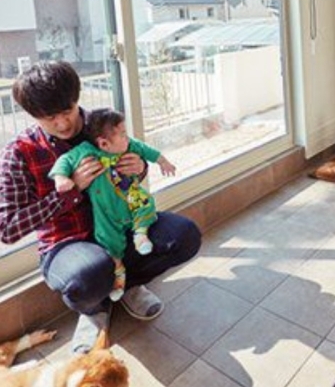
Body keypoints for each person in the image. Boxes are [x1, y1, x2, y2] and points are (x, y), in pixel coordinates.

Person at [0, 61, 201, 354]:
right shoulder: (19, 152)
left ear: (76, 98)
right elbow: (7, 228)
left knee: (185, 236)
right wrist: (71, 192)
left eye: (67, 111)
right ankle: (94, 309)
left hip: (121, 225)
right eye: (50, 118)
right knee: (88, 276)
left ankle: (126, 285)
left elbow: (133, 170)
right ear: (32, 115)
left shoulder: (102, 125)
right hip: (66, 243)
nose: (63, 124)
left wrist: (139, 168)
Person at [50, 108, 177, 302]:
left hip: (131, 199)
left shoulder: (128, 147)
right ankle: (119, 277)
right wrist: (61, 178)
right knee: (110, 242)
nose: (128, 138)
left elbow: (146, 150)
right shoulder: (86, 152)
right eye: (123, 135)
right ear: (103, 143)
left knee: (145, 204)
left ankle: (140, 234)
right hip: (106, 213)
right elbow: (64, 161)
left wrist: (162, 162)